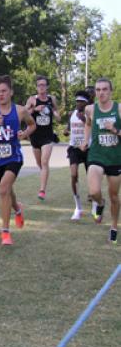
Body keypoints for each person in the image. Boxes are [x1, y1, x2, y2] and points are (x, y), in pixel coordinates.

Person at [0, 75, 36, 245]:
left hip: (14, 156)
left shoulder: (20, 110)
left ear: (11, 92)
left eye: (4, 91)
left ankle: (5, 232)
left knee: (4, 189)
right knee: (7, 190)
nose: (1, 94)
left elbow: (32, 124)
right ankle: (18, 208)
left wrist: (24, 134)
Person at [81, 78, 121, 244]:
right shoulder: (90, 109)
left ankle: (113, 226)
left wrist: (114, 129)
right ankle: (100, 203)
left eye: (104, 89)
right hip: (96, 156)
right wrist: (85, 140)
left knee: (114, 196)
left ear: (111, 91)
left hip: (115, 158)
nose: (101, 93)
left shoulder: (119, 109)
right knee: (94, 190)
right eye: (98, 90)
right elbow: (88, 125)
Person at [25, 75, 61, 200]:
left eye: (44, 85)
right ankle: (44, 176)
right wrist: (35, 109)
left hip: (48, 136)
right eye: (39, 85)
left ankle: (42, 190)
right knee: (40, 163)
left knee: (45, 162)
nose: (41, 87)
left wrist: (55, 114)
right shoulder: (32, 100)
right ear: (36, 87)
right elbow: (24, 114)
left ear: (47, 87)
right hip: (35, 136)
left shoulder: (52, 99)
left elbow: (58, 115)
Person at [63, 91, 90, 220]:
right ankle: (78, 208)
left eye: (81, 101)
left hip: (88, 148)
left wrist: (85, 120)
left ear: (86, 103)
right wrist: (66, 131)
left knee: (92, 177)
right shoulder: (72, 114)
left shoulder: (90, 114)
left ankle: (95, 203)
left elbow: (93, 130)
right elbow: (68, 129)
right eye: (77, 101)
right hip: (74, 148)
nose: (78, 104)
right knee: (73, 175)